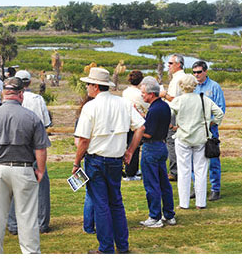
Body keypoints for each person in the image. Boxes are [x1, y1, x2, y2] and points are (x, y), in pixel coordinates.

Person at [0, 77, 50, 254]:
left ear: (3, 95)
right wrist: (41, 170)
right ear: (21, 94)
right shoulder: (31, 117)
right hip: (24, 169)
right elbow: (41, 149)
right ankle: (31, 254)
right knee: (27, 217)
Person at [73, 67, 144, 254]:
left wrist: (76, 162)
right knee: (116, 203)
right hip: (115, 160)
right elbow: (140, 128)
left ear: (96, 86)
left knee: (101, 204)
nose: (87, 87)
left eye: (88, 84)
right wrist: (130, 151)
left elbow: (83, 140)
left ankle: (105, 248)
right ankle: (122, 245)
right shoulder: (123, 103)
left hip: (95, 160)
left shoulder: (91, 107)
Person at [125, 76, 176, 228]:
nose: (142, 95)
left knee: (152, 184)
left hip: (151, 148)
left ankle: (155, 217)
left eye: (144, 93)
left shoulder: (153, 110)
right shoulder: (164, 106)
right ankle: (169, 214)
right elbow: (159, 124)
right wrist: (141, 117)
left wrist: (137, 130)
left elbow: (148, 132)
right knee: (163, 183)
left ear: (151, 94)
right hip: (162, 146)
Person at [7, 70, 52, 235]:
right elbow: (46, 122)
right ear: (29, 82)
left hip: (16, 147)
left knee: (14, 185)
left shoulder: (9, 101)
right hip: (36, 146)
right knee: (41, 184)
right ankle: (41, 223)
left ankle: (13, 224)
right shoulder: (37, 99)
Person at [169, 74, 224, 210]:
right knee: (201, 170)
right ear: (194, 85)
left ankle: (184, 203)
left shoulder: (178, 100)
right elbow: (219, 113)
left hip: (183, 137)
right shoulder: (203, 99)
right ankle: (201, 203)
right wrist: (212, 123)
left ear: (182, 86)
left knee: (184, 171)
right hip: (201, 138)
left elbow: (168, 113)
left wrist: (172, 126)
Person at [192, 61, 226, 201]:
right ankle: (197, 188)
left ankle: (215, 189)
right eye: (194, 72)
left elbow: (221, 109)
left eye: (199, 72)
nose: (196, 75)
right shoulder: (192, 87)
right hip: (194, 129)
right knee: (194, 160)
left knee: (212, 159)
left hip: (210, 130)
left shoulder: (214, 87)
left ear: (205, 71)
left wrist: (210, 123)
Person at [159, 54, 186, 182]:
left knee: (171, 141)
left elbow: (176, 100)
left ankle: (174, 171)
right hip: (178, 113)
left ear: (178, 64)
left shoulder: (178, 79)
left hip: (174, 113)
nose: (168, 66)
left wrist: (164, 95)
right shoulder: (180, 77)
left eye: (170, 63)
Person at [121, 70, 149, 181]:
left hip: (126, 122)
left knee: (128, 146)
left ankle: (131, 170)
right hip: (136, 123)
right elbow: (147, 106)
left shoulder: (125, 92)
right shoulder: (140, 94)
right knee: (134, 147)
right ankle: (131, 173)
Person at [75, 95, 95, 234]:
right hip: (94, 155)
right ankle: (89, 225)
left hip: (90, 155)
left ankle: (89, 225)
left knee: (91, 193)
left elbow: (78, 140)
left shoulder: (82, 118)